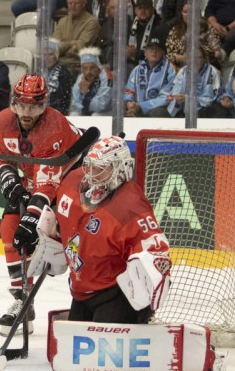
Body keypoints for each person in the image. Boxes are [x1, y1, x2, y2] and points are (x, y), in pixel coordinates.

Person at [24, 136, 171, 324]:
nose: (92, 173)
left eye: (101, 168)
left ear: (121, 168)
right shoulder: (72, 183)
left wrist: (149, 283)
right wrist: (52, 236)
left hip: (115, 294)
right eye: (91, 165)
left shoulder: (130, 205)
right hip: (81, 291)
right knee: (72, 351)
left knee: (103, 352)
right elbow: (64, 227)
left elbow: (154, 248)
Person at [0, 74, 82, 337]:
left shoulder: (54, 126)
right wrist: (9, 179)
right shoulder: (2, 121)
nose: (27, 112)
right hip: (36, 177)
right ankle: (23, 300)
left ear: (44, 105)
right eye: (23, 105)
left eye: (34, 106)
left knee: (74, 243)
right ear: (14, 104)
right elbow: (1, 159)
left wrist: (31, 218)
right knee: (9, 227)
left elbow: (48, 185)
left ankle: (87, 298)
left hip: (74, 178)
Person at [124, 36, 177, 117]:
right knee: (120, 108)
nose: (154, 51)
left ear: (163, 52)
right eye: (151, 48)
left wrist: (141, 106)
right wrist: (129, 103)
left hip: (159, 109)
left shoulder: (170, 70)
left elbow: (167, 98)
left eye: (158, 49)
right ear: (145, 52)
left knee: (157, 113)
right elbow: (129, 91)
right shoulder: (137, 70)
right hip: (136, 107)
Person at [53, 0, 100, 72]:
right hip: (59, 65)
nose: (73, 6)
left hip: (79, 66)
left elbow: (81, 47)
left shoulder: (91, 21)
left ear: (83, 4)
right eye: (70, 3)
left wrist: (64, 46)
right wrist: (71, 43)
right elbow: (54, 48)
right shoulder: (62, 21)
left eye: (76, 3)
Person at [167, 47, 222, 118]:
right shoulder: (182, 71)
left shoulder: (213, 72)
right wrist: (177, 99)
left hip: (205, 111)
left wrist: (188, 99)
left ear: (204, 59)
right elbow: (173, 94)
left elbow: (211, 100)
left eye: (199, 58)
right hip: (183, 110)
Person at [166, 3, 223, 69]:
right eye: (185, 12)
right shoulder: (175, 31)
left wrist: (198, 54)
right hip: (181, 67)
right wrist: (182, 58)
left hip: (206, 64)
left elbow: (215, 49)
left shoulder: (207, 26)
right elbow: (169, 55)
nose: (189, 15)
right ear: (181, 13)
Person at [126, 0, 167, 70]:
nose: (143, 11)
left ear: (152, 10)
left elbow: (157, 51)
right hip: (131, 64)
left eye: (146, 8)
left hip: (153, 65)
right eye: (140, 8)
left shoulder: (159, 27)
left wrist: (137, 53)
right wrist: (126, 52)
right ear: (135, 10)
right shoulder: (130, 25)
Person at [70, 47, 112, 116]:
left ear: (98, 67)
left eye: (92, 68)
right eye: (85, 68)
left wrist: (86, 92)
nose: (88, 72)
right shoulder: (80, 78)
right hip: (88, 111)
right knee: (74, 115)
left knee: (95, 115)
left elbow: (102, 106)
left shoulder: (107, 77)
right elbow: (75, 104)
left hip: (107, 112)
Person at [44, 39, 73, 115]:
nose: (47, 58)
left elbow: (63, 102)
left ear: (57, 56)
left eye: (50, 54)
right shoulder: (40, 71)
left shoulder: (64, 74)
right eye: (45, 55)